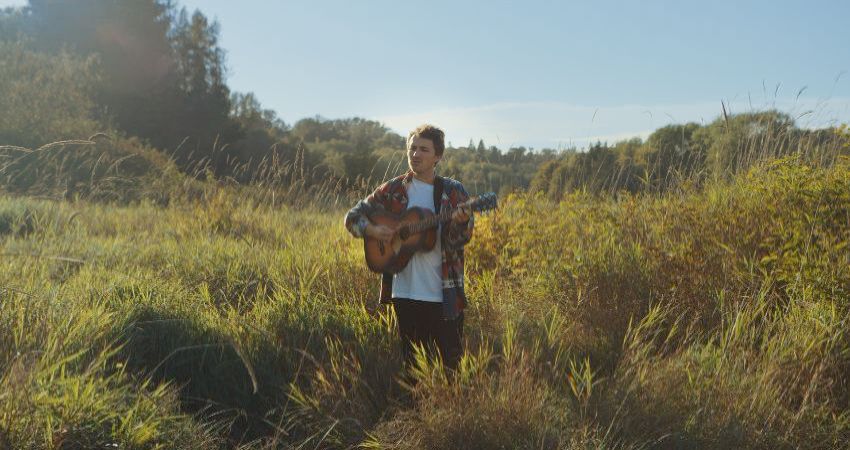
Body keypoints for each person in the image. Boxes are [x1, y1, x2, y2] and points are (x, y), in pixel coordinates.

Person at [344, 124, 474, 371]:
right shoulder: (393, 190)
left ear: (438, 156)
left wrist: (462, 221)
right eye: (412, 148)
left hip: (444, 294)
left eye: (424, 149)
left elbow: (462, 239)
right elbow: (352, 217)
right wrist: (372, 230)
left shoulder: (453, 191)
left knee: (452, 367)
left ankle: (452, 408)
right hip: (404, 294)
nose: (416, 154)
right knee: (413, 369)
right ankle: (414, 410)